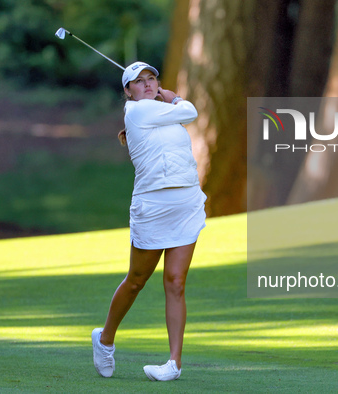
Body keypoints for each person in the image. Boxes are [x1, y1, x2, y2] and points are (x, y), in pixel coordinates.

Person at [91, 61, 206, 382]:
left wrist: (169, 101)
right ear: (128, 92)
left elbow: (183, 118)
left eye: (151, 79)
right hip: (152, 206)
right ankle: (105, 338)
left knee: (176, 281)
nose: (147, 85)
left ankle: (173, 363)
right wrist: (172, 97)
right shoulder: (137, 112)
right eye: (138, 82)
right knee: (137, 280)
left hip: (185, 202)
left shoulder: (167, 116)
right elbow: (192, 111)